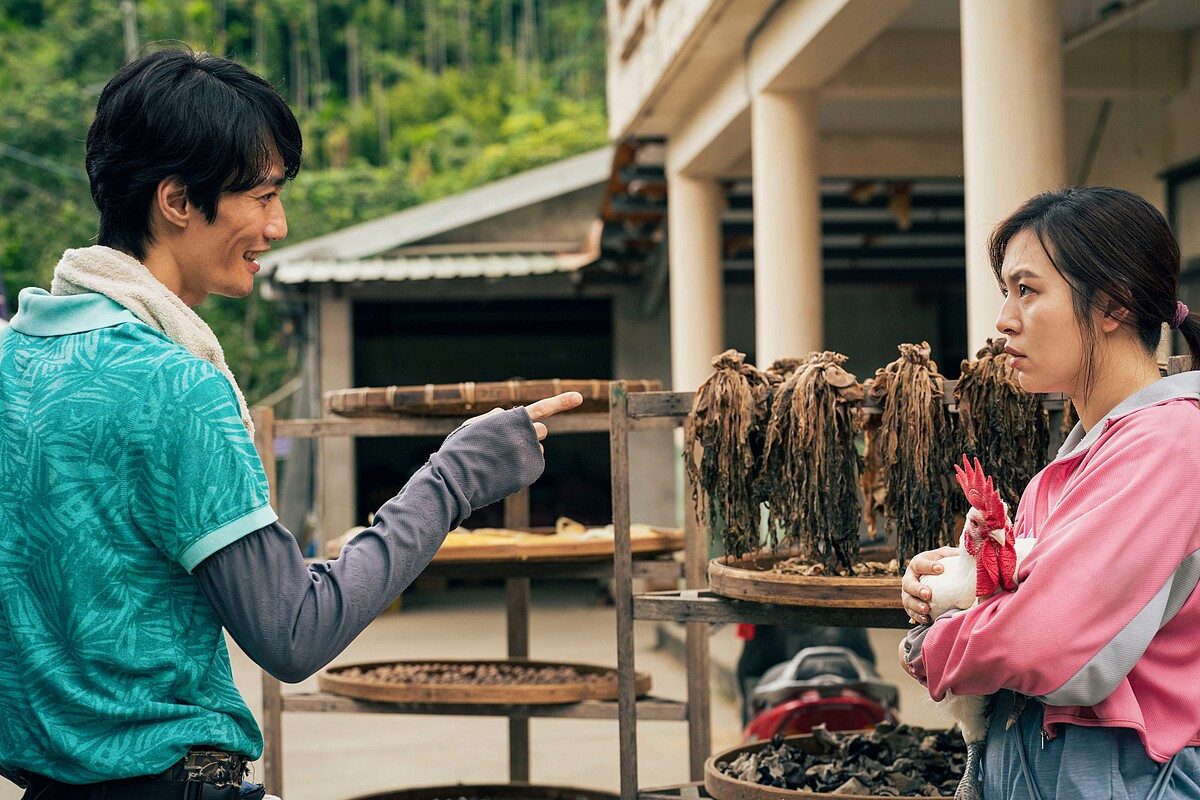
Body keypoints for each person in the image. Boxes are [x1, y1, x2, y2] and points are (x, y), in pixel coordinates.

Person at [0, 47, 582, 800]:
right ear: (178, 201)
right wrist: (454, 477)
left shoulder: (14, 359)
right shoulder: (178, 387)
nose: (278, 225)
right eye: (264, 196)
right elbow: (293, 630)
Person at [899, 186, 1200, 799]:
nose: (1005, 320)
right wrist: (959, 578)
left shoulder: (1171, 443)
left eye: (1027, 290)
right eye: (1006, 292)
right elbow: (1035, 602)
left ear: (1112, 303)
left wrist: (930, 645)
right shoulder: (1079, 458)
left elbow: (1052, 646)